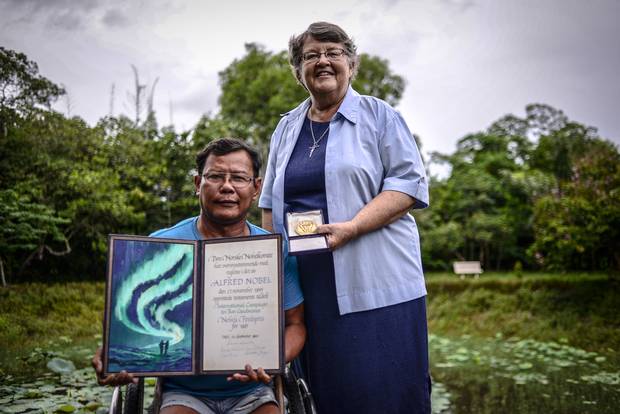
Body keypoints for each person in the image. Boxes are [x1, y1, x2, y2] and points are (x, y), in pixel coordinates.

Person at [259, 22, 430, 413]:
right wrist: (270, 273)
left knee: (385, 392)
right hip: (308, 288)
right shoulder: (286, 127)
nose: (322, 61)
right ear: (298, 70)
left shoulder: (379, 115)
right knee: (322, 394)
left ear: (351, 64)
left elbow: (408, 185)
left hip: (377, 284)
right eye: (310, 55)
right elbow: (269, 205)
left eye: (333, 52)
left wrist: (352, 227)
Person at [93, 138, 306, 414]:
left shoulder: (274, 250)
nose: (227, 186)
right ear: (197, 184)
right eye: (215, 176)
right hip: (183, 393)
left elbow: (296, 324)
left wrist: (274, 358)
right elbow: (127, 324)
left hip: (253, 391)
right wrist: (113, 357)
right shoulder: (159, 248)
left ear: (255, 188)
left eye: (239, 178)